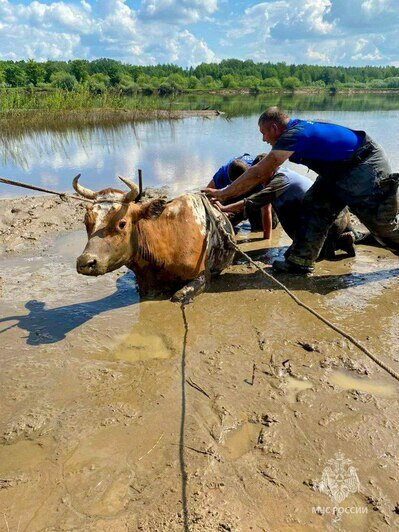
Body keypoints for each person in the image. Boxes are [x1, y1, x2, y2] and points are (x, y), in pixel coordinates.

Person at [202, 107, 399, 274]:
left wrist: (223, 193)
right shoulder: (297, 128)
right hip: (337, 169)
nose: (263, 139)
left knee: (382, 225)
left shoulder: (293, 134)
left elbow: (260, 172)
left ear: (274, 127)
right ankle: (300, 261)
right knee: (315, 203)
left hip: (364, 164)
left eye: (264, 133)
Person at [214, 165, 357, 259]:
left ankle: (338, 242)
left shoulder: (280, 181)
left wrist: (224, 208)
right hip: (339, 214)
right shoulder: (286, 173)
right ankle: (344, 238)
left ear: (268, 170)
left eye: (260, 175)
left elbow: (254, 202)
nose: (258, 179)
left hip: (328, 220)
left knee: (294, 258)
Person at [207, 153, 269, 232]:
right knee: (224, 222)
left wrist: (267, 237)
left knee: (261, 227)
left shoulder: (257, 175)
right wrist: (220, 209)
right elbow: (207, 194)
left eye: (242, 186)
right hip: (235, 192)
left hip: (254, 189)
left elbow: (266, 207)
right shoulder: (223, 174)